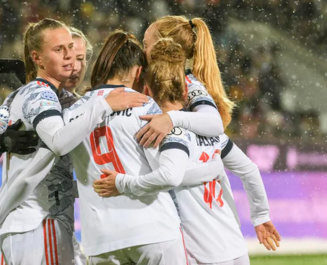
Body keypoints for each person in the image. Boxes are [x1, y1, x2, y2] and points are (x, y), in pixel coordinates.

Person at [0, 18, 147, 265]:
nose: (74, 62)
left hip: (39, 223)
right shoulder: (37, 98)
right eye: (61, 51)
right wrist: (0, 142)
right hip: (37, 222)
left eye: (80, 56)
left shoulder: (79, 105)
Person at [94, 38, 281, 265]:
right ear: (185, 90)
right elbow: (249, 170)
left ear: (145, 88)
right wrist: (261, 216)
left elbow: (170, 177)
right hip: (234, 245)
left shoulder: (155, 134)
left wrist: (122, 183)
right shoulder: (212, 134)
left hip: (199, 252)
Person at [62, 30, 200, 265]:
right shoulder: (143, 106)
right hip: (153, 231)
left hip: (101, 241)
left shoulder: (71, 113)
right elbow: (169, 174)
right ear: (138, 71)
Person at [137, 16, 235, 148]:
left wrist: (171, 119)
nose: (142, 52)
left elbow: (214, 123)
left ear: (164, 46)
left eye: (146, 45)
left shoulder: (187, 83)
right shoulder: (151, 78)